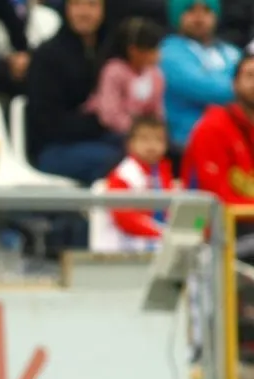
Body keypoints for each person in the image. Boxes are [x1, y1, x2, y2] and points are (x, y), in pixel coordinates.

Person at [26, 0, 123, 185]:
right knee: (119, 160)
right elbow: (46, 123)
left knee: (145, 151)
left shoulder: (111, 52)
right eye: (77, 4)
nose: (84, 12)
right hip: (55, 148)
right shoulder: (47, 56)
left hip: (101, 138)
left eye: (92, 5)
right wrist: (99, 122)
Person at [161, 0, 240, 150]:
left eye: (206, 10)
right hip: (186, 142)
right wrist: (240, 86)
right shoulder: (168, 52)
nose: (199, 17)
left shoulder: (230, 51)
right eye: (190, 10)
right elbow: (207, 89)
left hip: (234, 142)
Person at [183, 52, 254, 205]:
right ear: (234, 84)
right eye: (250, 76)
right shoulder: (212, 127)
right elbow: (214, 196)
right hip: (208, 222)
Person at [95, 115, 174, 252]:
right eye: (144, 139)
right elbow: (124, 219)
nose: (152, 146)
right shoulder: (123, 175)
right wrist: (161, 232)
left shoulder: (164, 172)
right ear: (130, 144)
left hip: (159, 244)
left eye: (159, 140)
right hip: (124, 250)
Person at [86, 17, 165, 136]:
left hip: (144, 135)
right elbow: (110, 115)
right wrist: (138, 132)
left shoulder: (155, 75)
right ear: (134, 50)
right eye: (152, 50)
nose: (158, 55)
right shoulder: (114, 71)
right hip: (110, 133)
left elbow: (157, 111)